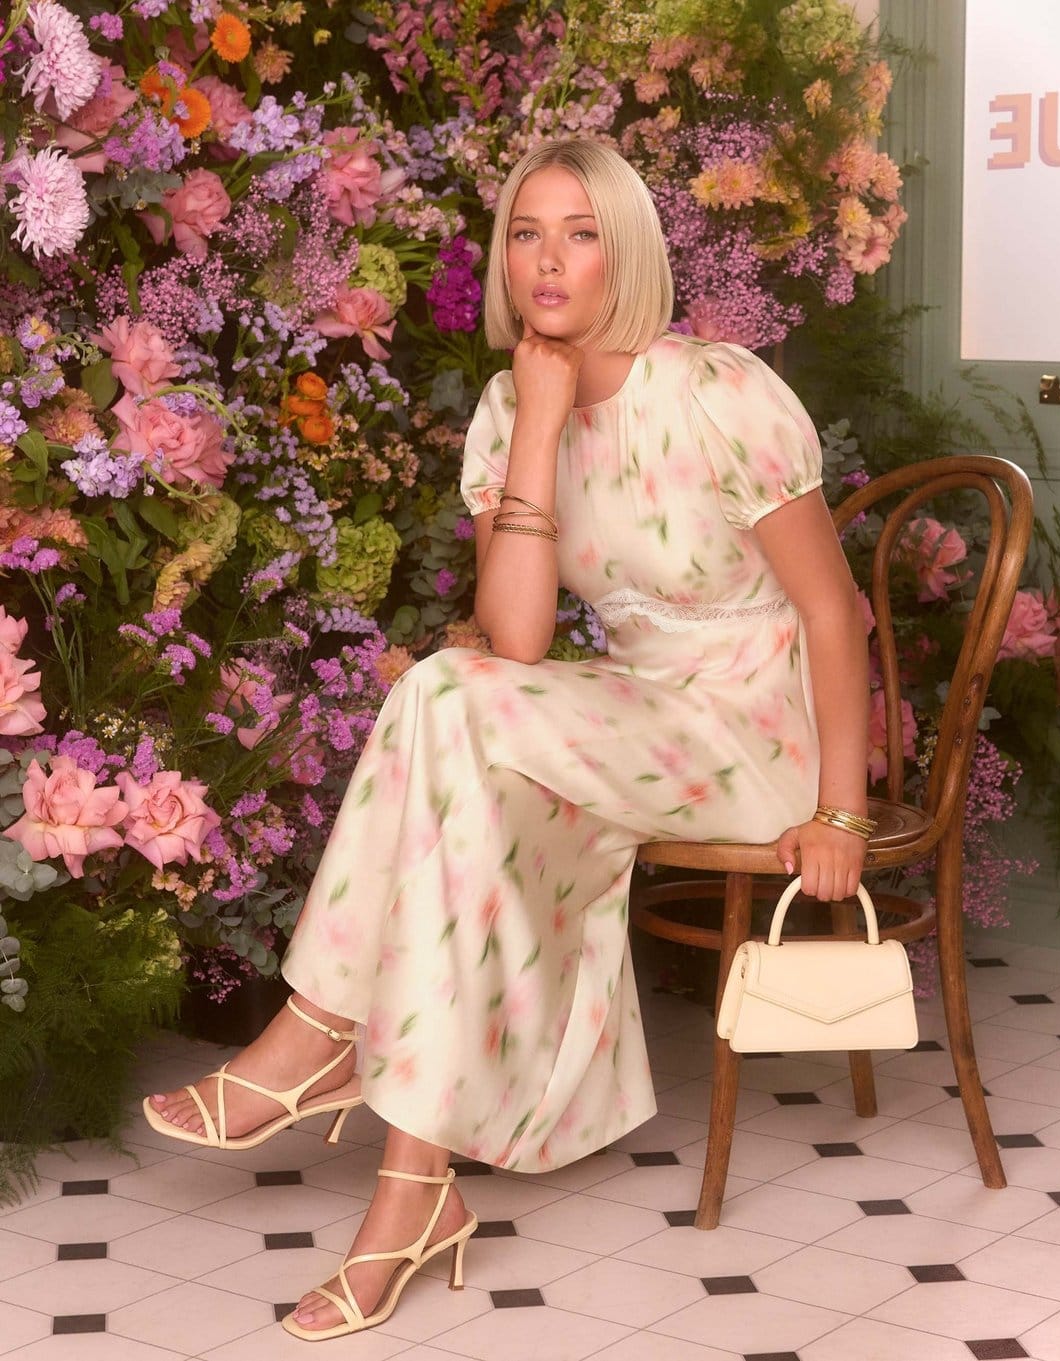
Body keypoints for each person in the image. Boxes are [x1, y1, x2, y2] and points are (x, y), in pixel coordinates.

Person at [143, 137, 870, 1342]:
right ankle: (409, 1196)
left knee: (448, 691)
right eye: (527, 233)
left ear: (624, 252)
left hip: (750, 733)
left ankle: (317, 1033)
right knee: (465, 755)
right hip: (632, 710)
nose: (548, 260)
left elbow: (833, 612)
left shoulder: (717, 391)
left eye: (580, 233)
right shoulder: (505, 408)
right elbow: (521, 637)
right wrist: (538, 418)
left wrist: (841, 810)